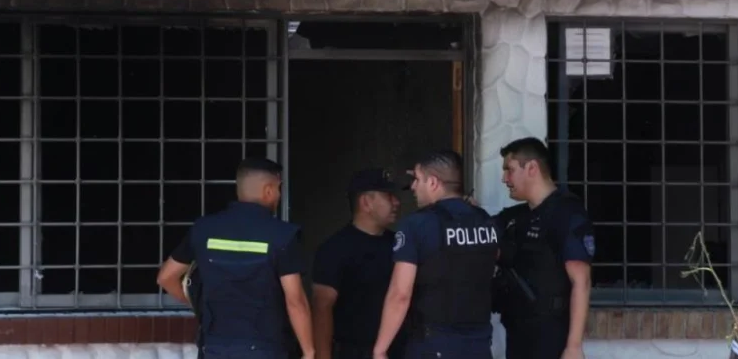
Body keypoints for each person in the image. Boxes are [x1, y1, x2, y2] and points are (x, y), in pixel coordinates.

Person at [155, 157, 316, 359]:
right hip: (265, 349)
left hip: (215, 347)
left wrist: (199, 305)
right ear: (268, 190)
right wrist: (309, 351)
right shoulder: (283, 235)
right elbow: (296, 301)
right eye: (278, 188)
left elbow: (165, 278)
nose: (278, 195)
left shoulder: (203, 229)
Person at [372, 150, 499, 359]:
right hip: (479, 344)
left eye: (417, 179)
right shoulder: (485, 220)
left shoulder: (417, 224)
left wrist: (380, 349)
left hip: (434, 344)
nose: (413, 187)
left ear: (432, 183)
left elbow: (400, 294)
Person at [492, 137, 594, 359]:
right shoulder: (515, 218)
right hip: (518, 334)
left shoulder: (567, 214)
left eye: (509, 170)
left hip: (550, 336)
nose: (504, 178)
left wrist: (574, 347)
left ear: (532, 168)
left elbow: (582, 281)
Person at [312, 168, 407, 359]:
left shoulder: (401, 245)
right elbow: (322, 309)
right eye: (388, 196)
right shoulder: (334, 249)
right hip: (353, 352)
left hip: (398, 351)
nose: (396, 202)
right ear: (366, 202)